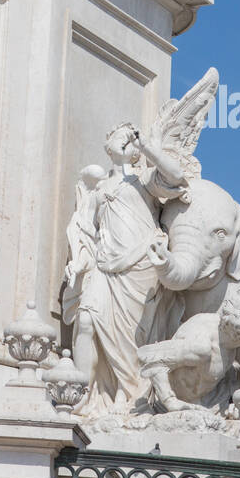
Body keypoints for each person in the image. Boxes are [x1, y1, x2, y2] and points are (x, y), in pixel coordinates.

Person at [63, 122, 189, 415]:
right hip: (105, 269)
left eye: (129, 136)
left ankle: (128, 392)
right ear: (108, 146)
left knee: (134, 337)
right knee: (85, 321)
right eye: (119, 134)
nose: (124, 137)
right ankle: (81, 394)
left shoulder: (144, 180)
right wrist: (79, 262)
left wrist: (148, 148)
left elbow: (177, 176)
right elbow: (85, 233)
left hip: (139, 267)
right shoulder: (96, 190)